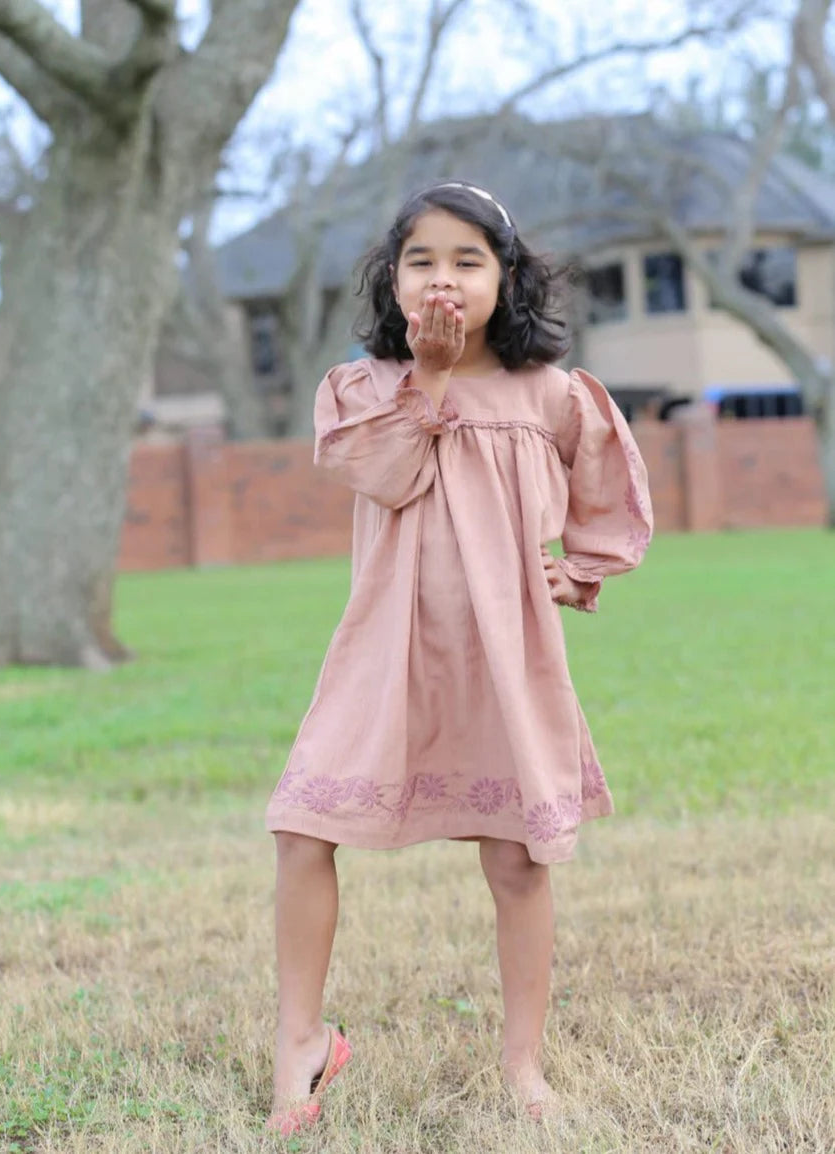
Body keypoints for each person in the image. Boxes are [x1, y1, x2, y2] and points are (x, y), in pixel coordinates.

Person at [264, 181, 653, 1137]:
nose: (443, 278)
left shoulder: (551, 393)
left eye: (467, 260)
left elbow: (610, 487)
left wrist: (586, 568)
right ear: (391, 279)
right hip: (384, 645)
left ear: (507, 277)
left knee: (519, 858)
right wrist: (428, 380)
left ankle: (525, 1064)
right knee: (303, 830)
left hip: (504, 650)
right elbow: (387, 476)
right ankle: (300, 1043)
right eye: (421, 260)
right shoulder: (360, 388)